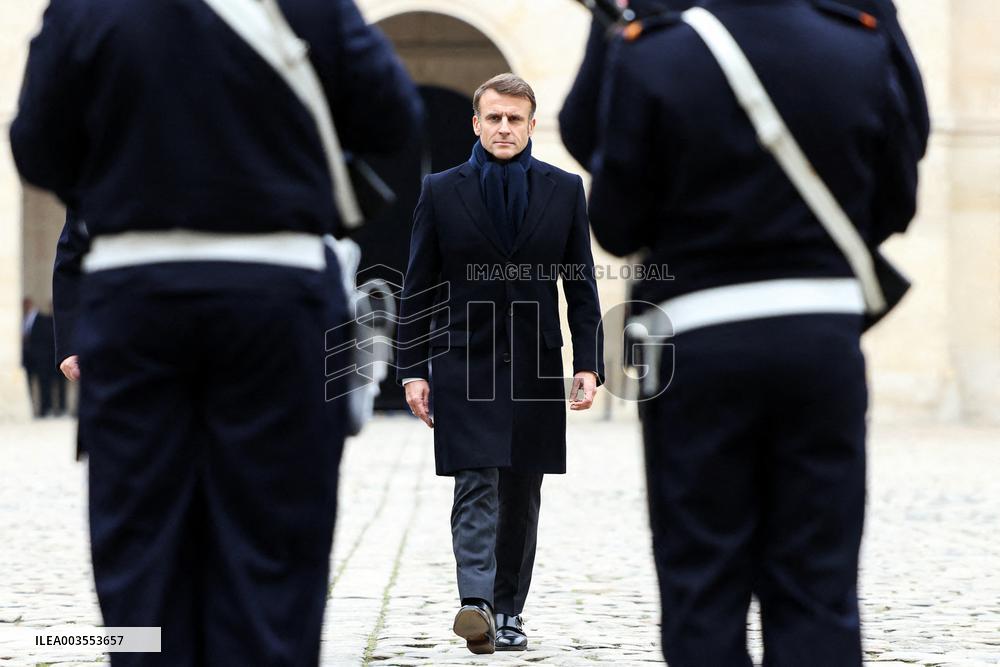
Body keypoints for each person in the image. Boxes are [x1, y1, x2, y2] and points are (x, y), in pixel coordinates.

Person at [10, 0, 420, 664]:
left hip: (136, 295)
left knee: (142, 552)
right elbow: (393, 115)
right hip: (277, 293)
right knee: (273, 550)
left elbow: (37, 146)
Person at [561, 1, 928, 665]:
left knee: (703, 586)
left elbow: (614, 222)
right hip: (820, 337)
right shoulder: (856, 44)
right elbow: (897, 196)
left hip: (698, 340)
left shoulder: (654, 51)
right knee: (818, 588)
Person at [395, 73, 604, 654]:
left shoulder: (565, 190)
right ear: (476, 123)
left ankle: (509, 609)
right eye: (494, 117)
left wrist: (588, 363)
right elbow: (417, 287)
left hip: (536, 363)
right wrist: (412, 368)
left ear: (532, 125)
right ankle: (477, 603)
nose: (504, 127)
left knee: (521, 490)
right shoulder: (441, 191)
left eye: (515, 118)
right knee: (475, 481)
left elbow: (581, 287)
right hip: (465, 361)